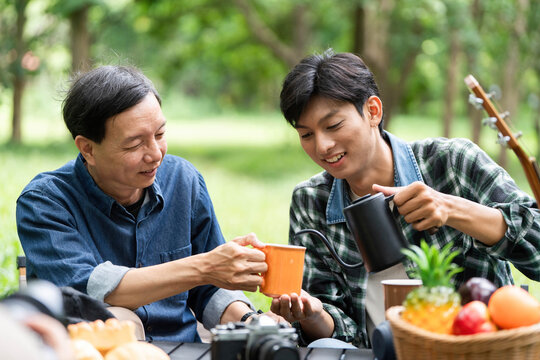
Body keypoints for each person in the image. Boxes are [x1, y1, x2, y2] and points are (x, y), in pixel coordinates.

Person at [270, 49, 540, 348]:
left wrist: (452, 208)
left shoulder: (452, 163)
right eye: (306, 135)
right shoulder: (311, 201)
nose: (322, 146)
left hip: (470, 350)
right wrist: (314, 314)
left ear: (373, 111)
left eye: (333, 126)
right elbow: (341, 331)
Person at [16, 65, 270, 343]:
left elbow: (209, 289)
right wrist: (204, 267)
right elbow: (91, 289)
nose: (155, 155)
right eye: (135, 144)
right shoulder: (45, 202)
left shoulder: (183, 180)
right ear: (87, 148)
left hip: (185, 349)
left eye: (160, 135)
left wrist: (250, 320)